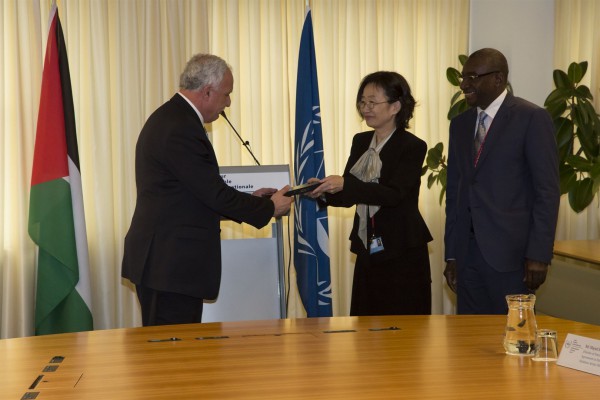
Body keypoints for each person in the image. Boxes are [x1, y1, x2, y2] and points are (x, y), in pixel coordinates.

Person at [121, 54, 293, 326]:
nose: (228, 103)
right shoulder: (180, 127)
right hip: (169, 266)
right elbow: (213, 193)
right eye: (227, 95)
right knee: (174, 355)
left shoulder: (174, 118)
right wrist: (270, 208)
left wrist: (252, 200)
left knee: (176, 353)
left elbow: (194, 194)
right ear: (208, 91)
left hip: (167, 264)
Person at [443, 48, 560, 314]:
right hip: (467, 255)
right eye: (463, 77)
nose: (464, 84)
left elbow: (547, 191)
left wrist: (539, 255)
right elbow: (455, 192)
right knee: (469, 341)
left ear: (498, 79)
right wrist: (452, 254)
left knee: (513, 340)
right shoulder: (459, 124)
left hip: (512, 259)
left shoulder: (531, 118)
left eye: (472, 76)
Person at [309, 71, 433, 316]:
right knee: (365, 324)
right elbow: (351, 193)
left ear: (396, 106)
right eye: (362, 102)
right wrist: (323, 191)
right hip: (368, 247)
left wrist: (345, 184)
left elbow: (394, 194)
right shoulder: (361, 140)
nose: (365, 108)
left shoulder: (412, 146)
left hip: (402, 248)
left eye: (372, 102)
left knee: (404, 329)